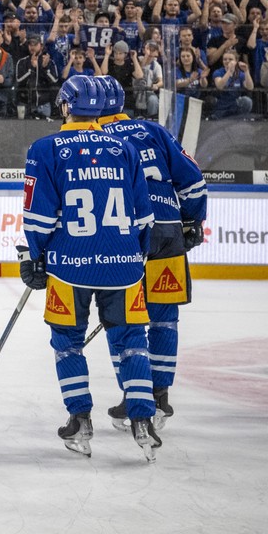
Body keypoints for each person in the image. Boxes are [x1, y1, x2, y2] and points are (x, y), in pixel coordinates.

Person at [18, 74, 161, 460]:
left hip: (70, 268)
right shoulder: (126, 148)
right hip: (125, 266)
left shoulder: (45, 148)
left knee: (67, 343)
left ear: (66, 106)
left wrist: (35, 256)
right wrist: (136, 255)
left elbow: (38, 217)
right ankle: (143, 420)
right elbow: (145, 216)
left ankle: (80, 420)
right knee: (133, 342)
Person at [95, 74, 207, 429]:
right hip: (168, 233)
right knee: (164, 319)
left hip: (126, 236)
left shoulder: (96, 139)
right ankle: (160, 397)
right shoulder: (153, 131)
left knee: (124, 320)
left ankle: (135, 396)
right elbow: (193, 181)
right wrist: (191, 222)